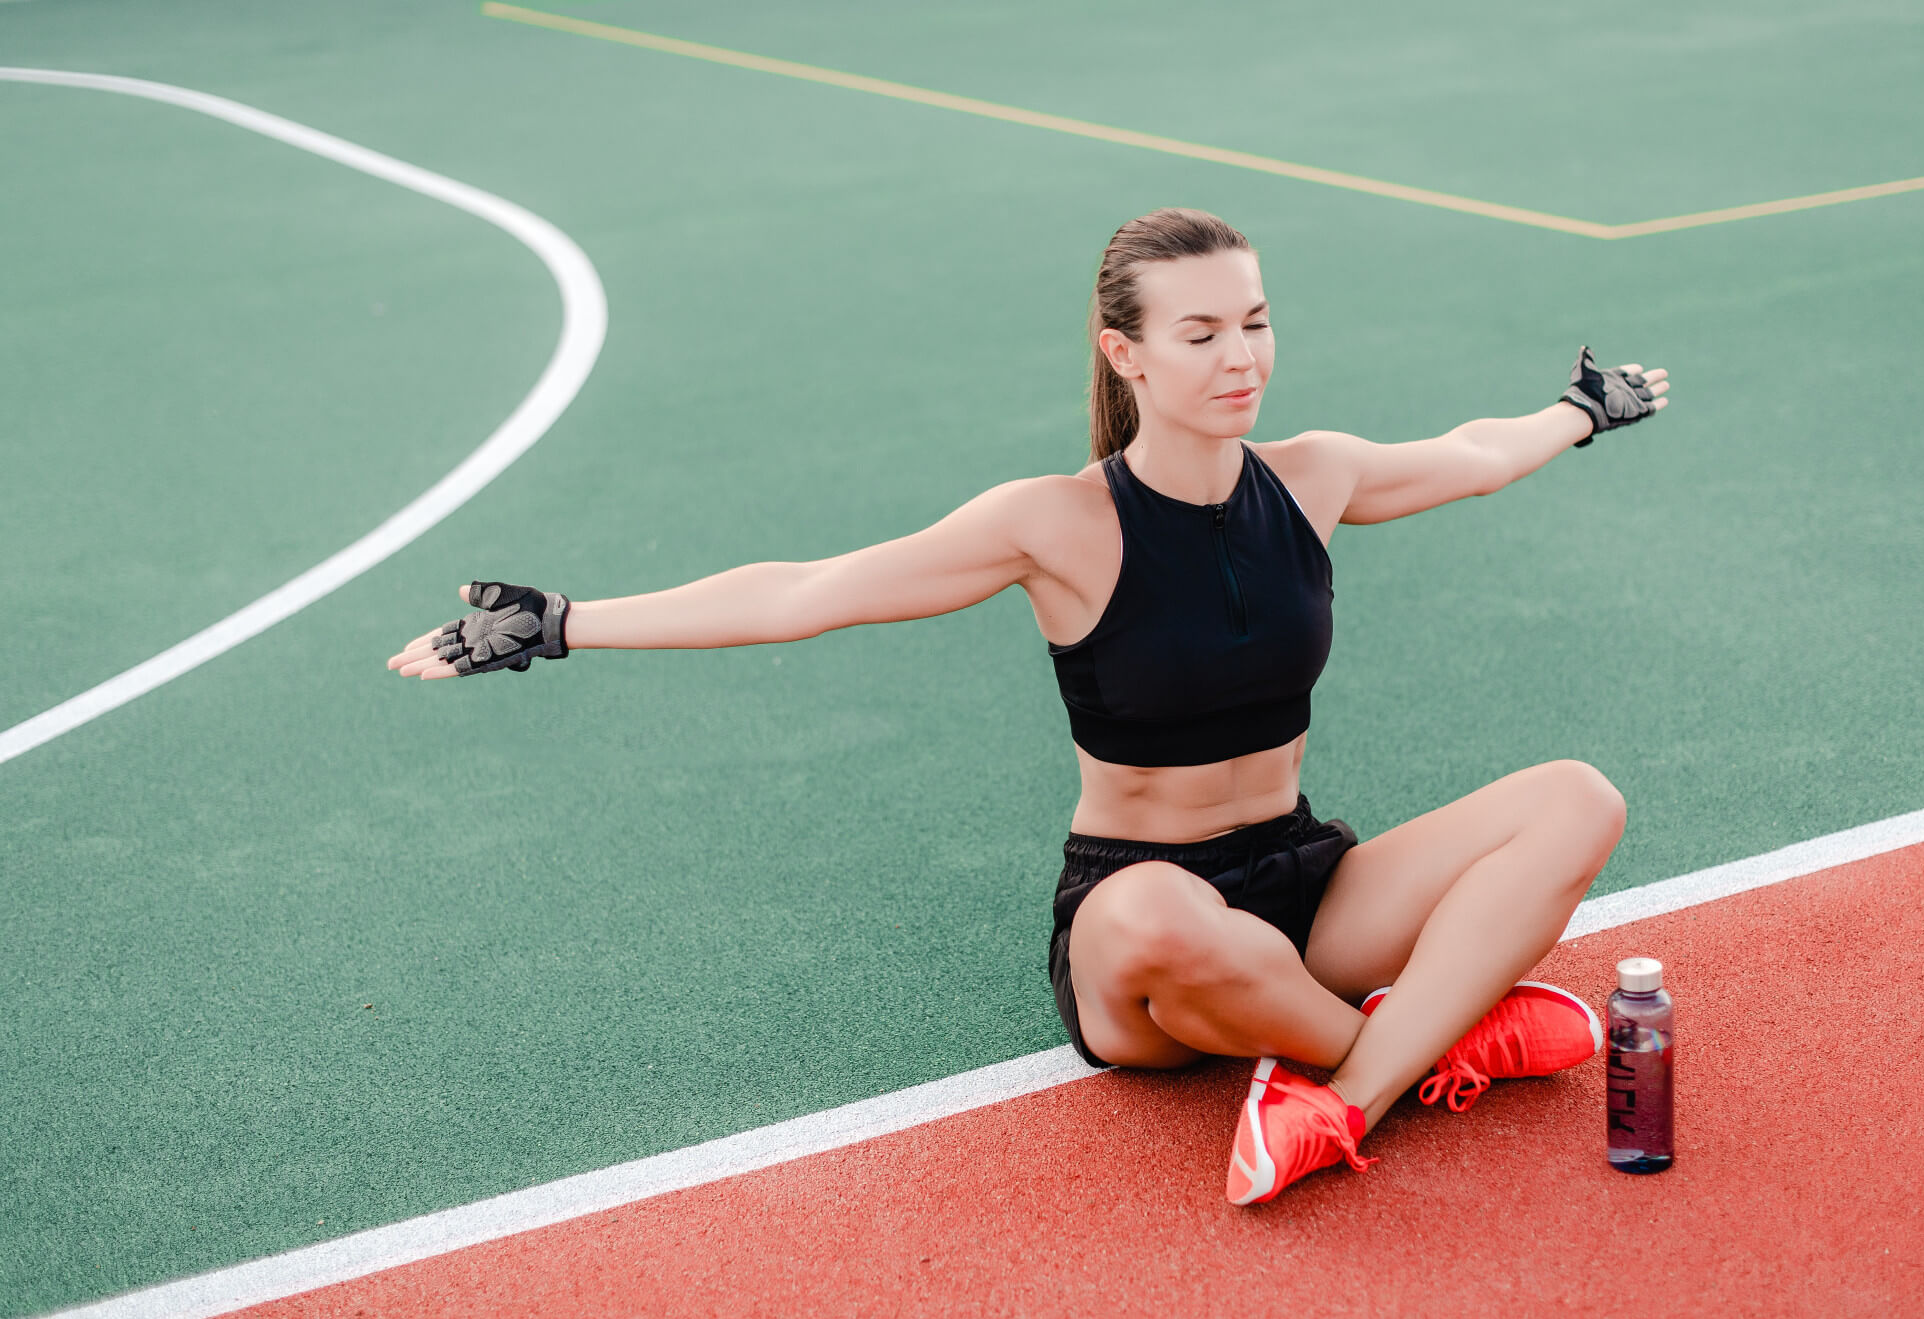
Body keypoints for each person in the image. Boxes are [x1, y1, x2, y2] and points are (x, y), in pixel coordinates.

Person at [388, 207, 1668, 1205]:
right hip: (1137, 925)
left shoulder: (1314, 476)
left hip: (1301, 879)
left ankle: (1352, 1087)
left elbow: (1473, 456)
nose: (1242, 357)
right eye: (1201, 332)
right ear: (1126, 351)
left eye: (1255, 321)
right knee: (1167, 912)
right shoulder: (1053, 524)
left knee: (1574, 798)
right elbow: (806, 595)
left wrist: (1578, 410)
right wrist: (559, 624)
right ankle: (1440, 1032)